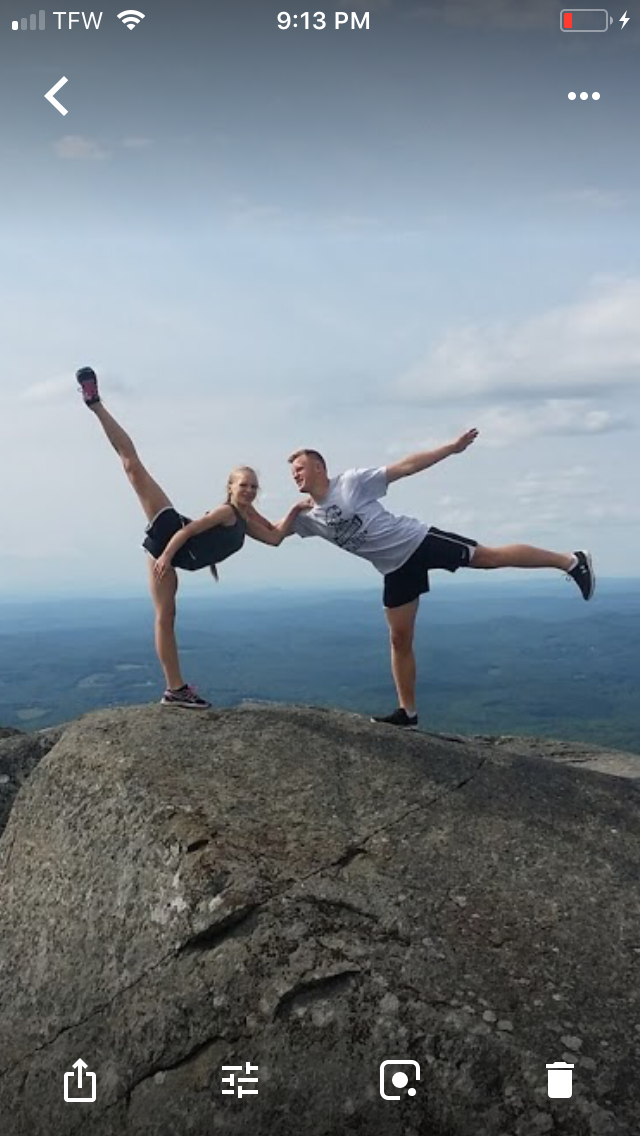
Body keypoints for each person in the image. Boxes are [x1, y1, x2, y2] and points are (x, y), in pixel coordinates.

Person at [272, 433, 595, 729]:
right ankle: (408, 713)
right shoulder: (306, 517)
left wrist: (451, 449)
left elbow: (405, 467)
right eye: (293, 473)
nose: (295, 475)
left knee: (489, 558)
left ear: (319, 467)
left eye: (300, 468)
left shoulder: (350, 482)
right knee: (399, 639)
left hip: (419, 541)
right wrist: (244, 507)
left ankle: (571, 561)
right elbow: (271, 536)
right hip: (394, 569)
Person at [76, 367, 308, 709]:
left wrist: (296, 510)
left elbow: (275, 538)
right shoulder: (226, 512)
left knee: (167, 616)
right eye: (243, 485)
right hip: (171, 535)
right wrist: (166, 557)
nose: (248, 490)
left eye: (253, 486)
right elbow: (187, 531)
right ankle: (95, 402)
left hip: (174, 554)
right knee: (132, 466)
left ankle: (175, 691)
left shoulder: (246, 517)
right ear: (231, 488)